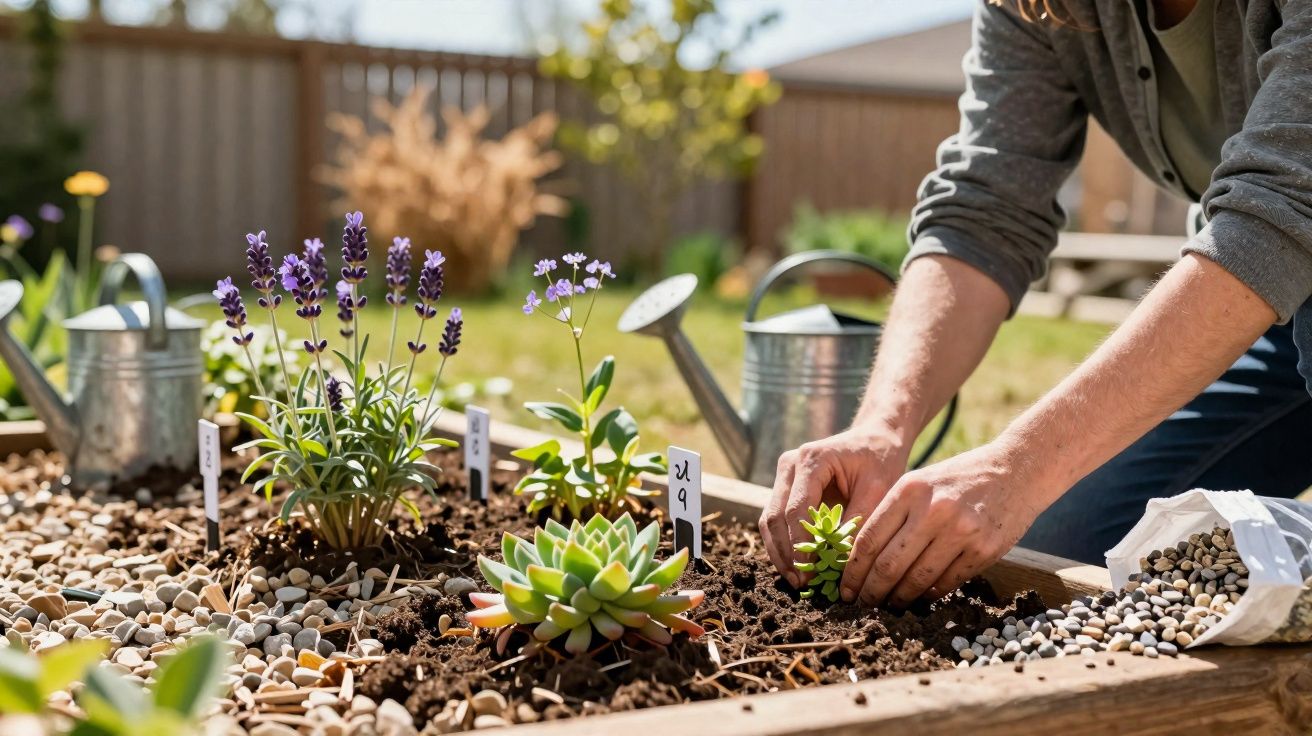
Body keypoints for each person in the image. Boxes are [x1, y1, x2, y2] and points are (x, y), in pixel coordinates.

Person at [759, 0, 1312, 610]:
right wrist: (882, 429)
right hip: (1261, 319)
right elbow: (986, 209)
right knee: (1064, 544)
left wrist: (1019, 467)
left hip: (1278, 267)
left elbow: (1282, 210)